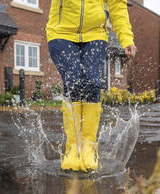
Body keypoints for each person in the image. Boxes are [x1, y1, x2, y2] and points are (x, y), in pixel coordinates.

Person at [46, 0, 137, 172]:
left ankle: (88, 147)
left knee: (93, 83)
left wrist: (126, 39)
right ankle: (72, 148)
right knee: (73, 82)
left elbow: (118, 7)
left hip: (95, 34)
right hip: (61, 32)